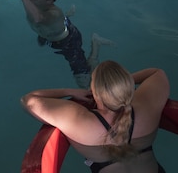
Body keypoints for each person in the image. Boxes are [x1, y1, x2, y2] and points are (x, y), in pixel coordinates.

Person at [21, 60, 170, 173]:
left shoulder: (79, 119)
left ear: (96, 92)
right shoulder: (147, 106)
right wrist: (119, 85)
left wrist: (68, 91)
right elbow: (157, 73)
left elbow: (28, 100)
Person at [6, 0, 114, 88]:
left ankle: (96, 43)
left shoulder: (54, 13)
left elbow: (38, 19)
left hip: (68, 42)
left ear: (50, 1)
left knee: (84, 80)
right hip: (50, 33)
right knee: (44, 38)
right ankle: (67, 16)